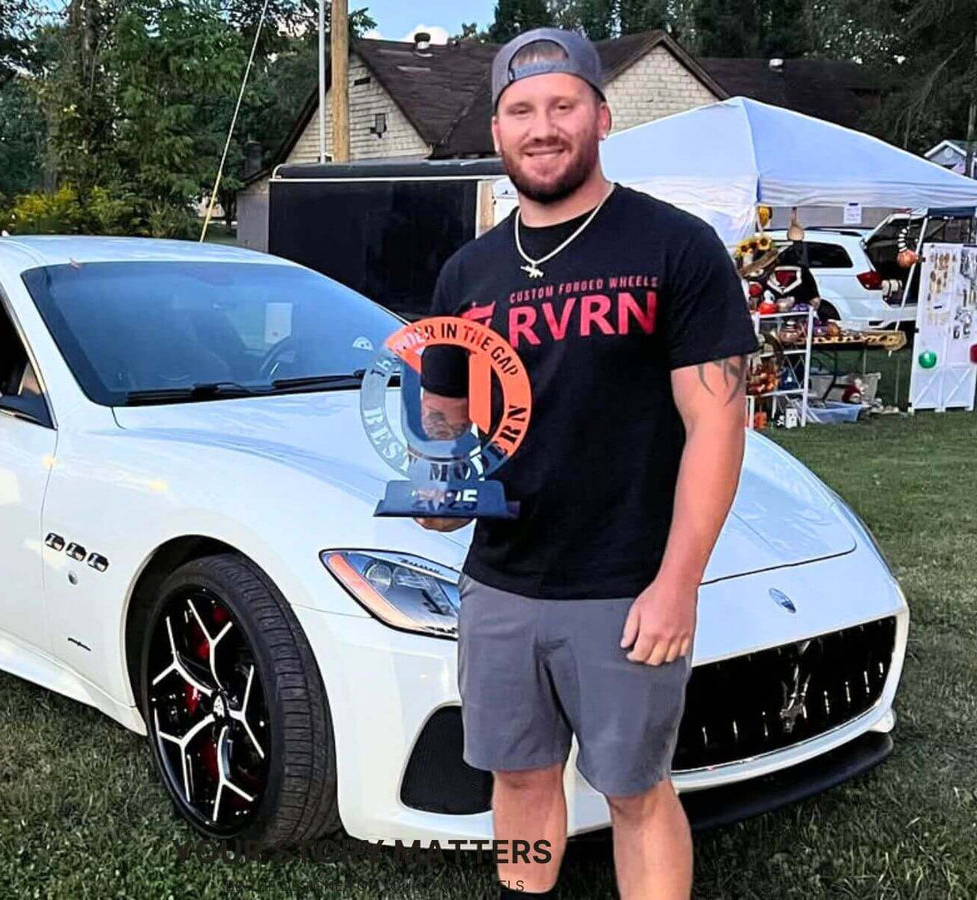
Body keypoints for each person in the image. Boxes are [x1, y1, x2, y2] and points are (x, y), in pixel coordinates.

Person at [417, 28, 759, 900]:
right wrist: (439, 487)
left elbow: (717, 425)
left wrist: (678, 583)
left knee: (635, 791)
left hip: (626, 587)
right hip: (500, 584)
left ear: (601, 118)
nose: (542, 127)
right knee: (520, 778)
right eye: (521, 111)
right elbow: (445, 417)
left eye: (562, 105)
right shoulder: (467, 273)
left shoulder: (674, 247)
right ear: (497, 131)